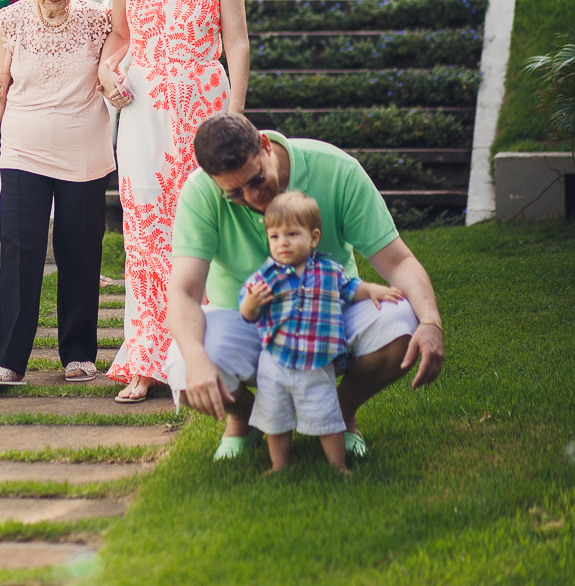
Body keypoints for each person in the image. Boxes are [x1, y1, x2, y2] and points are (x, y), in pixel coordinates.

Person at [163, 113, 446, 460]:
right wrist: (196, 358)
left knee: (402, 321)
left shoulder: (336, 169)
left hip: (328, 310)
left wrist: (431, 321)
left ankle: (338, 414)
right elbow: (183, 292)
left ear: (265, 146)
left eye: (256, 181)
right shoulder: (200, 192)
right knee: (181, 367)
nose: (251, 198)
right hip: (244, 319)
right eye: (234, 193)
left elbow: (398, 261)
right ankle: (246, 420)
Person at [98, 0, 251, 403]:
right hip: (142, 119)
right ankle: (144, 358)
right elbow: (118, 38)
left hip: (203, 114)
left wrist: (234, 118)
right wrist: (104, 71)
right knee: (145, 236)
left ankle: (205, 355)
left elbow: (236, 44)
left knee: (204, 227)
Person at [0, 0, 114, 386]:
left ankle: (78, 353)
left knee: (81, 252)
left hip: (84, 150)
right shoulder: (9, 20)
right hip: (22, 149)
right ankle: (9, 360)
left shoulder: (99, 20)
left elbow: (116, 66)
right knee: (19, 252)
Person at [240, 191, 403, 474]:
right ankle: (279, 464)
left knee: (327, 416)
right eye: (275, 236)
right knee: (275, 418)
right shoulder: (265, 277)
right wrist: (250, 304)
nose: (283, 243)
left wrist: (373, 290)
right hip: (276, 362)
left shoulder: (329, 270)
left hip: (317, 363)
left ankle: (337, 465)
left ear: (313, 237)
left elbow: (351, 289)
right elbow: (248, 313)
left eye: (292, 234)